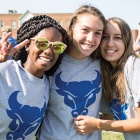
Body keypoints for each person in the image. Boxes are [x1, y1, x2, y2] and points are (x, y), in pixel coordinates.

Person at [37, 5, 106, 140]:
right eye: (85, 30)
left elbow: (110, 111)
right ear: (72, 29)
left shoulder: (104, 65)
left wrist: (98, 124)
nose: (91, 38)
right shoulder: (51, 61)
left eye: (98, 33)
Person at [0, 15, 68, 140]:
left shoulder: (49, 85)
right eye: (42, 43)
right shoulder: (5, 71)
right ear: (27, 45)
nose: (48, 51)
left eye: (57, 46)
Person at [74, 17, 140, 140]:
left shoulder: (133, 65)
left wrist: (97, 124)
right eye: (105, 36)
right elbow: (110, 116)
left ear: (126, 41)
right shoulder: (107, 74)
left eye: (117, 37)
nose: (110, 43)